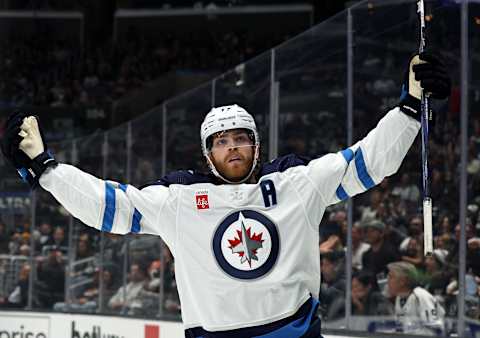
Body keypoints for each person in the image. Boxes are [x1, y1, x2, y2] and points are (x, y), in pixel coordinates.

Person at [0, 52, 450, 337]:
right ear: (207, 152)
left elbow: (371, 161)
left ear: (256, 144)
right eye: (220, 140)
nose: (232, 145)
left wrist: (410, 110)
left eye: (240, 137)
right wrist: (45, 170)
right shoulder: (178, 198)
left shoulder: (296, 184)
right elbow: (107, 207)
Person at [387, 261, 445, 336]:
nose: (387, 281)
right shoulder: (399, 298)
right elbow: (401, 329)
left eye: (391, 277)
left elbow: (433, 330)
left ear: (403, 281)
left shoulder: (421, 296)